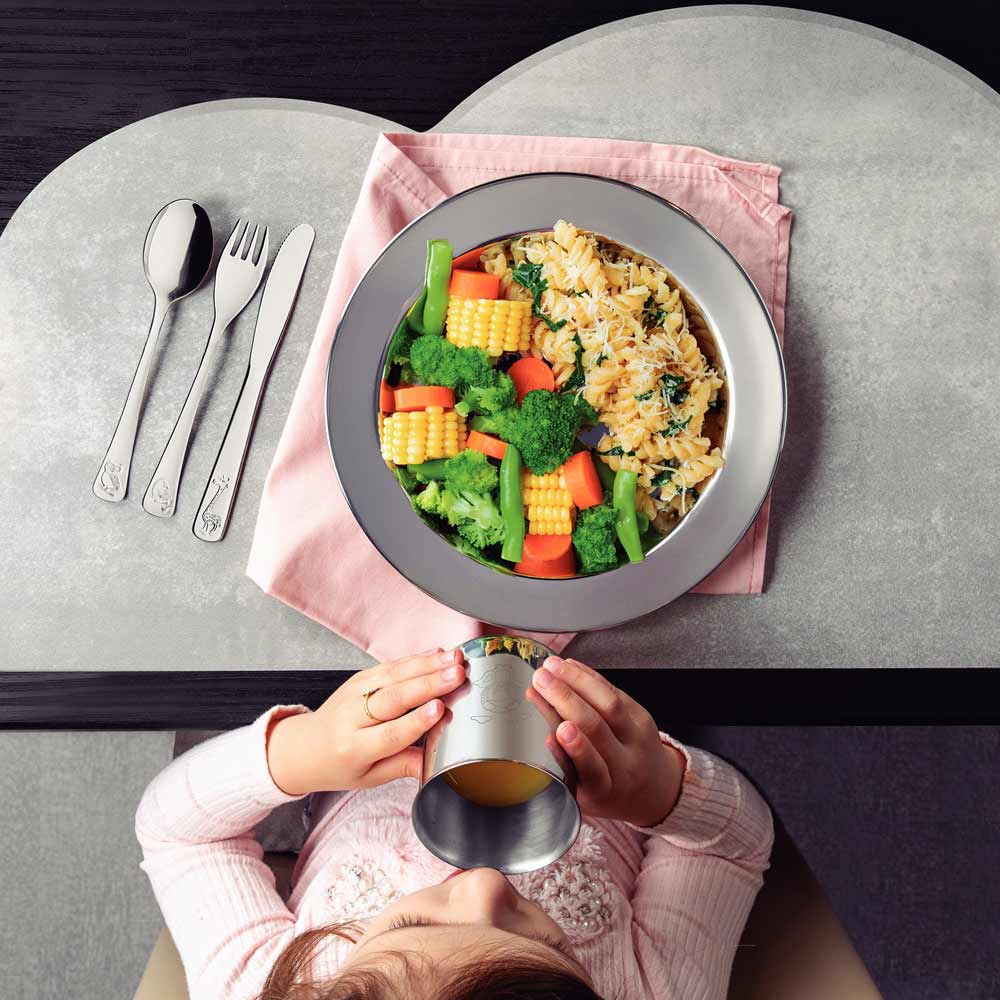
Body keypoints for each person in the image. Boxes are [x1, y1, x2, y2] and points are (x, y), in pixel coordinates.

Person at [136, 648, 773, 1000]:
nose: (484, 882)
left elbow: (178, 833)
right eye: (550, 944)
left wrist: (302, 752)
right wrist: (661, 791)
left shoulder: (265, 991)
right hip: (598, 699)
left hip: (371, 696)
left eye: (414, 925)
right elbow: (734, 849)